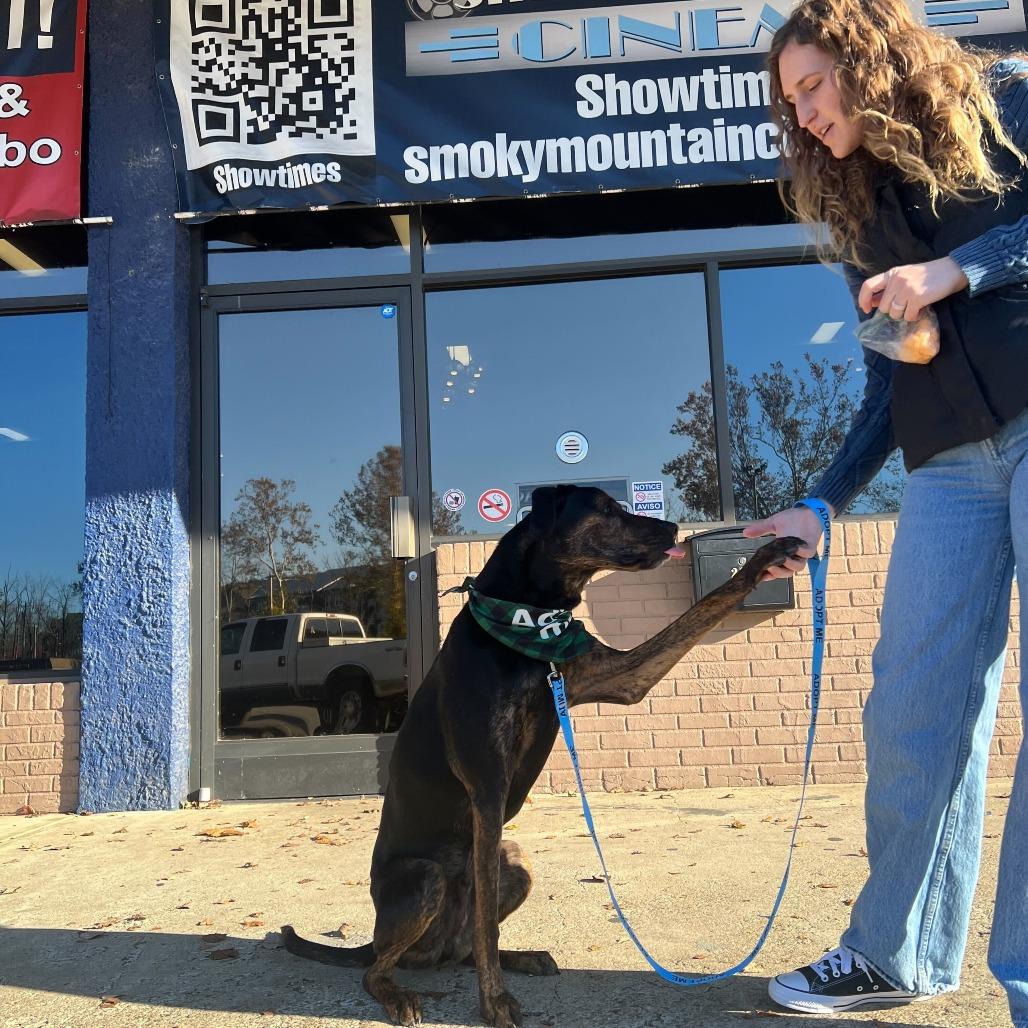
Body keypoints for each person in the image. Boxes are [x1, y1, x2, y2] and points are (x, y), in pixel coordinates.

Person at [743, 0, 1028, 1023]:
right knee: (909, 704)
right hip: (948, 462)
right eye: (789, 103)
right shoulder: (862, 208)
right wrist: (819, 500)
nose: (804, 114)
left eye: (812, 86)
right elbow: (884, 380)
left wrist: (959, 268)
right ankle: (893, 951)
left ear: (867, 56)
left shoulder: (1005, 108)